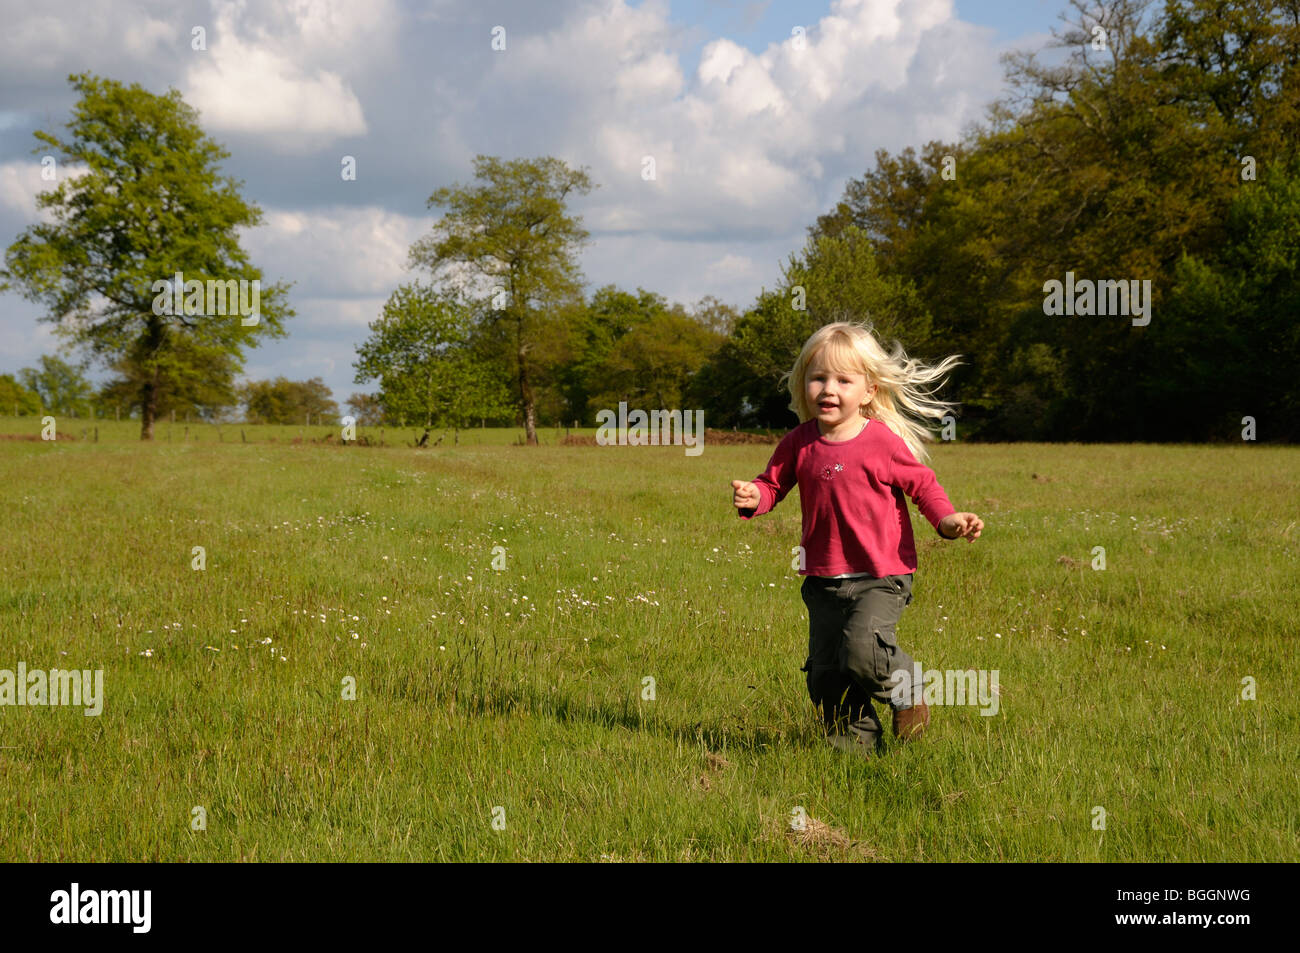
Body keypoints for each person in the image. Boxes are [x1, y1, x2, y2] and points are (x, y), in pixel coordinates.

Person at [730, 322, 983, 757]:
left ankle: (907, 691)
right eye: (818, 378)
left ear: (868, 390)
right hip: (822, 579)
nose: (829, 389)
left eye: (843, 380)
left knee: (863, 651)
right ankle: (858, 753)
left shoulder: (882, 442)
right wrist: (755, 496)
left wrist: (946, 520)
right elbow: (772, 486)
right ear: (803, 385)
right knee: (826, 674)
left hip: (881, 574)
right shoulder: (798, 443)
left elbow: (923, 486)